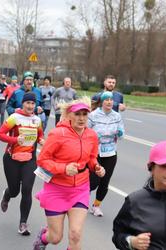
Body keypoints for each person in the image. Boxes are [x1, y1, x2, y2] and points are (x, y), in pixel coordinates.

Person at [33, 97, 105, 250]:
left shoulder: (92, 135)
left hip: (80, 189)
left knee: (75, 234)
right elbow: (42, 160)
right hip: (56, 189)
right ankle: (44, 237)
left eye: (85, 114)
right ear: (69, 115)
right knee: (56, 237)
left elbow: (91, 158)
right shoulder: (58, 134)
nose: (81, 118)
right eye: (77, 114)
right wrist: (64, 169)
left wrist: (97, 167)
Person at [112, 140, 166, 250]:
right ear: (151, 168)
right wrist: (132, 242)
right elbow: (118, 235)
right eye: (165, 166)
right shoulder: (135, 201)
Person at [0, 92, 44, 236]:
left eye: (32, 103)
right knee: (15, 191)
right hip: (12, 159)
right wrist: (15, 140)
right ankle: (7, 194)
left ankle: (23, 223)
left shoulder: (37, 120)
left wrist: (42, 141)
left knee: (27, 190)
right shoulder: (14, 118)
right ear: (22, 104)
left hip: (29, 160)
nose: (30, 106)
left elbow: (40, 136)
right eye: (28, 103)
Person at [88, 91, 124, 216]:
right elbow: (86, 132)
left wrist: (120, 133)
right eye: (106, 99)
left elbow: (122, 134)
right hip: (95, 152)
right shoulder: (93, 115)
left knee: (105, 181)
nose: (109, 102)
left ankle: (96, 206)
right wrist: (94, 136)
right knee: (93, 181)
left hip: (110, 152)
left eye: (111, 99)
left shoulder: (116, 116)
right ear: (102, 102)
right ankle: (80, 199)